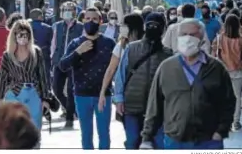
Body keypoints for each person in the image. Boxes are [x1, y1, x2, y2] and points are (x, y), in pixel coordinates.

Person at [140, 18, 236, 150]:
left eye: (192, 35)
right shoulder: (166, 67)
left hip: (208, 141)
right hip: (175, 141)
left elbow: (229, 102)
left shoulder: (216, 68)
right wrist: (147, 138)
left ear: (201, 38)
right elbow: (154, 105)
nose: (187, 38)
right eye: (183, 34)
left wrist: (221, 131)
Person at [113, 13, 173, 149]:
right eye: (150, 25)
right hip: (132, 106)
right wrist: (119, 99)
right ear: (145, 27)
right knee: (132, 141)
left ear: (163, 29)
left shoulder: (168, 54)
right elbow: (120, 75)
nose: (153, 28)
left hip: (158, 109)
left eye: (156, 26)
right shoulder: (131, 48)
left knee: (159, 144)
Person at [59, 7, 116, 149]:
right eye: (88, 19)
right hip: (81, 94)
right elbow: (63, 65)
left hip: (103, 94)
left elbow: (116, 68)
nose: (91, 22)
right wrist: (78, 52)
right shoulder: (75, 43)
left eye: (95, 19)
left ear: (101, 21)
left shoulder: (109, 43)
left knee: (104, 133)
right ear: (83, 20)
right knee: (86, 134)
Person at [0, 20, 53, 144]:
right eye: (20, 34)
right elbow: (2, 78)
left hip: (34, 93)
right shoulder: (8, 55)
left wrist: (45, 99)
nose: (23, 37)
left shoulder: (36, 52)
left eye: (26, 34)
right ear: (14, 36)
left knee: (35, 131)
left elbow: (42, 76)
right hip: (14, 94)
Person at [98, 13, 144, 113]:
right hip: (126, 94)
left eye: (124, 25)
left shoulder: (146, 46)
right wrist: (102, 92)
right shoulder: (121, 46)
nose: (121, 28)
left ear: (133, 27)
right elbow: (111, 69)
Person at [50, 2, 83, 128]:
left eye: (70, 9)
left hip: (74, 63)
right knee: (56, 89)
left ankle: (69, 119)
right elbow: (53, 45)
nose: (67, 12)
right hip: (59, 62)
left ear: (75, 12)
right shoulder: (56, 26)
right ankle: (72, 110)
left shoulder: (81, 27)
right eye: (65, 9)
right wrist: (52, 61)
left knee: (70, 90)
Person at [212, 14, 242, 131]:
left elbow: (214, 53)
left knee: (223, 97)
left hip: (223, 71)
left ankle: (224, 122)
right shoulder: (240, 39)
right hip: (238, 72)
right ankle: (235, 122)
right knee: (237, 97)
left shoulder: (220, 38)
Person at [29, 8, 53, 84]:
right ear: (40, 16)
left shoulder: (26, 26)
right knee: (45, 75)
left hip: (29, 53)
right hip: (44, 53)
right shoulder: (48, 28)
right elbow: (51, 42)